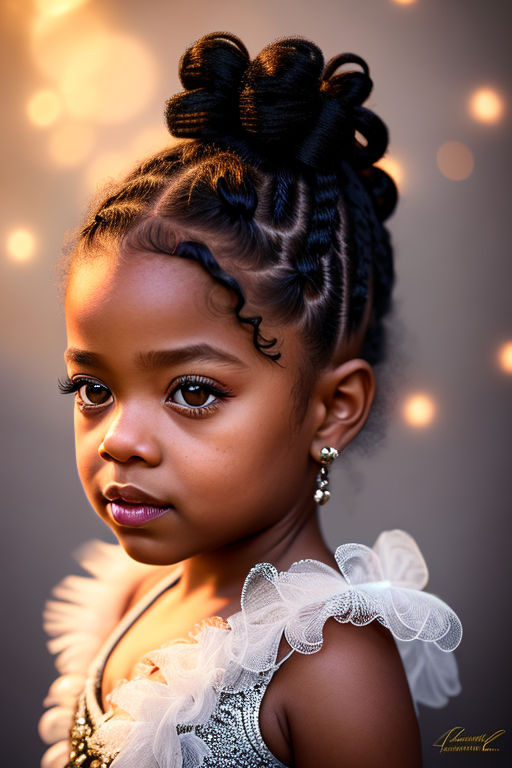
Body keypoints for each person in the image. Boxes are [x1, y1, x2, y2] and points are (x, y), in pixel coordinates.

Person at [38, 32, 462, 768]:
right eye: (94, 388)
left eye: (193, 391)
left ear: (333, 408)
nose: (118, 440)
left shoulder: (330, 668)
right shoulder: (134, 596)